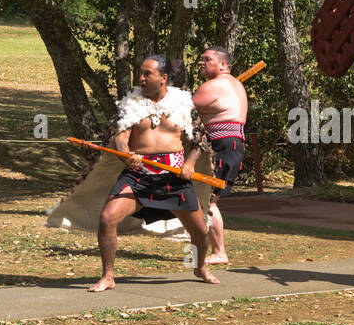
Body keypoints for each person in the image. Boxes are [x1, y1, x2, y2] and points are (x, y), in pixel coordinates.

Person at [91, 55, 217, 290]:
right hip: (138, 174)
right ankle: (108, 276)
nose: (141, 78)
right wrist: (126, 153)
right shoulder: (130, 104)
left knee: (200, 230)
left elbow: (200, 140)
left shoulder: (183, 104)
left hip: (174, 177)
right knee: (107, 218)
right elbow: (119, 135)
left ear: (163, 78)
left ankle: (200, 266)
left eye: (147, 73)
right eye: (140, 72)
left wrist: (189, 164)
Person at [190, 46, 248, 265]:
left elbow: (182, 111)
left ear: (223, 65)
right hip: (231, 145)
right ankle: (215, 249)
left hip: (222, 145)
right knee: (207, 199)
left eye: (207, 59)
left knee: (206, 200)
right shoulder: (236, 85)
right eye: (201, 59)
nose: (202, 63)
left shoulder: (213, 86)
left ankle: (219, 251)